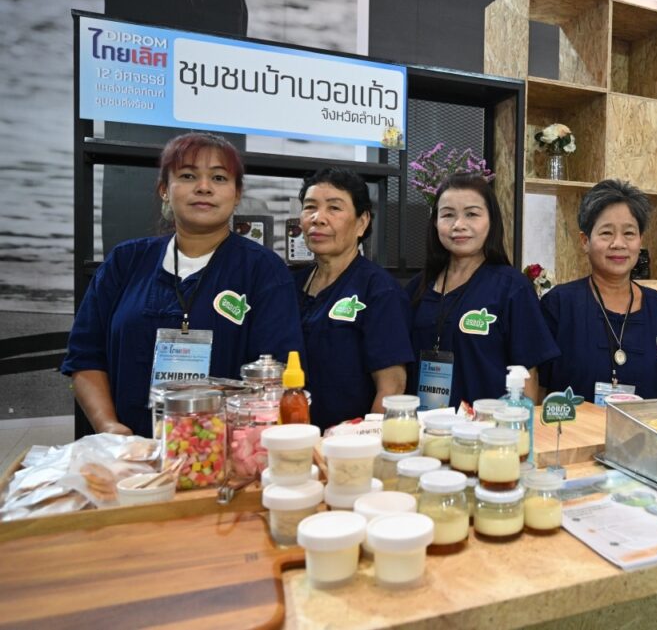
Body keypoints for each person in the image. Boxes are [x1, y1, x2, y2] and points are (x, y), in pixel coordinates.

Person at [62, 132, 304, 437]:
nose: (204, 187)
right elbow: (85, 356)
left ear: (236, 194)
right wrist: (109, 427)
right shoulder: (125, 261)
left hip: (223, 449)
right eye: (188, 175)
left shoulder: (263, 270)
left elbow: (276, 375)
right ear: (165, 189)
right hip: (130, 448)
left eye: (219, 178)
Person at [406, 172, 559, 409]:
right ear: (435, 222)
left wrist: (522, 427)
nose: (458, 225)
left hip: (489, 427)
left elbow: (528, 374)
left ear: (491, 220)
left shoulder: (513, 287)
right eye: (447, 215)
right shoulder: (417, 288)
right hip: (425, 425)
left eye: (472, 214)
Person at [293, 167, 414, 429]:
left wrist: (367, 442)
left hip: (347, 444)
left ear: (362, 222)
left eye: (334, 208)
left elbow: (392, 388)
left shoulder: (379, 290)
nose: (318, 218)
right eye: (310, 207)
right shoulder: (290, 285)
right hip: (293, 437)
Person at [540, 179, 657, 403]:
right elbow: (539, 389)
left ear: (640, 241)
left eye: (629, 233)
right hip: (574, 427)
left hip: (646, 427)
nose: (618, 243)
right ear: (585, 241)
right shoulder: (559, 305)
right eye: (606, 233)